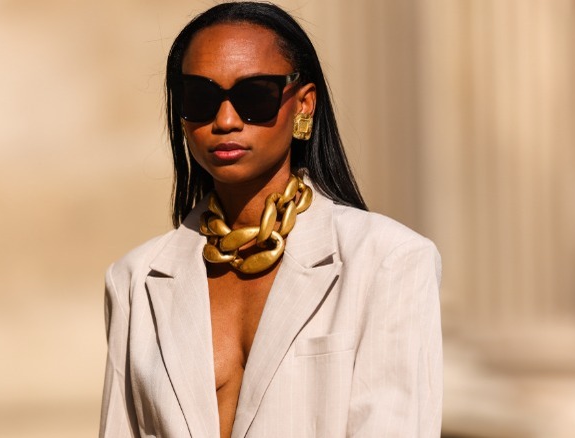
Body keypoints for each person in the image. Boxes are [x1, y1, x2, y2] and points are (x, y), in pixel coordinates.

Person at [100, 2, 442, 437]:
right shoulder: (134, 280)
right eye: (200, 98)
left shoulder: (389, 261)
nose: (225, 120)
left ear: (304, 105)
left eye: (254, 96)